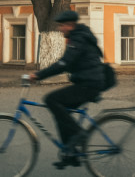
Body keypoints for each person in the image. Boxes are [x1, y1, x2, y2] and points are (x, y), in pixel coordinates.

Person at [30, 10, 105, 169]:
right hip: (88, 82)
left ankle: (79, 134)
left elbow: (64, 63)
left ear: (70, 25)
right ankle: (70, 153)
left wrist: (38, 75)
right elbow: (67, 63)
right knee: (62, 113)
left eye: (62, 25)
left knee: (51, 99)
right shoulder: (77, 37)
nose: (60, 29)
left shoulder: (78, 39)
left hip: (89, 84)